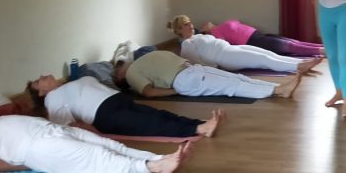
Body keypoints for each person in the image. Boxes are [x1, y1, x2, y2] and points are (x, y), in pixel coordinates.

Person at [0, 115, 193, 173]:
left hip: (49, 129)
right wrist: (33, 162)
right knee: (97, 156)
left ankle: (159, 157)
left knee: (110, 144)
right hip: (36, 147)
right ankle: (152, 167)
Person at [28, 73, 224, 139]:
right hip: (104, 115)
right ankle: (199, 129)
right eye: (38, 81)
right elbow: (65, 127)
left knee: (158, 114)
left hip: (117, 100)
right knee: (150, 123)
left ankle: (199, 123)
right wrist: (97, 135)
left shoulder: (69, 84)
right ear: (41, 93)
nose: (43, 76)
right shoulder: (51, 99)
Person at [113, 49, 301, 101]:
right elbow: (148, 92)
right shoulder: (131, 74)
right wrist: (174, 92)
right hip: (184, 80)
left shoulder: (139, 60)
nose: (120, 66)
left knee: (236, 78)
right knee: (231, 87)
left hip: (192, 69)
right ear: (120, 77)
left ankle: (277, 88)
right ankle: (277, 91)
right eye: (116, 70)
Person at [167, 16, 322, 75]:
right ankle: (298, 67)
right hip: (224, 57)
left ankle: (301, 62)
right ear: (179, 30)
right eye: (186, 24)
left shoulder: (199, 36)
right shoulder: (186, 44)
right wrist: (215, 68)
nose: (190, 25)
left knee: (268, 54)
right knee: (262, 60)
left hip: (230, 49)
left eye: (190, 22)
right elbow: (196, 63)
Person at [188, 17, 323, 59]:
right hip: (252, 42)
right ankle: (322, 51)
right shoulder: (215, 34)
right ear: (204, 31)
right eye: (202, 26)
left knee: (291, 41)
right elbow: (223, 45)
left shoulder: (221, 25)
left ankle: (324, 47)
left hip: (255, 34)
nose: (203, 23)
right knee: (289, 46)